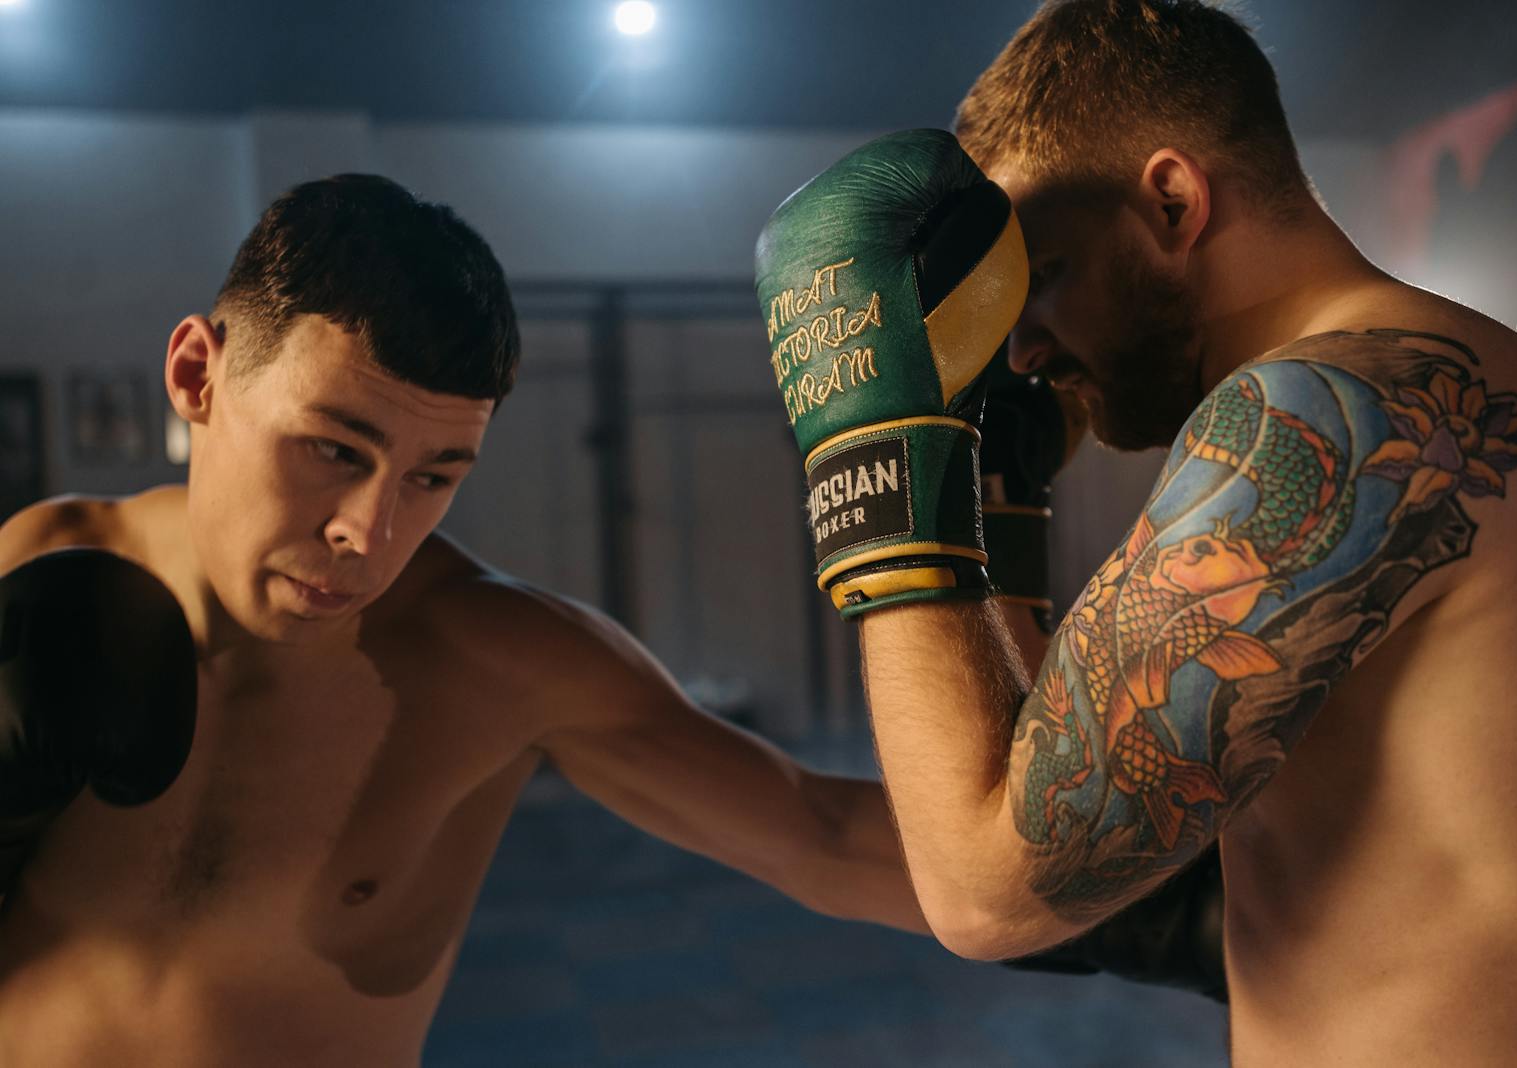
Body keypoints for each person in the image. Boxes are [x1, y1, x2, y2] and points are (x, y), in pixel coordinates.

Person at [753, 2, 1517, 1065]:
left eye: (1043, 273)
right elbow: (1028, 779)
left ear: (1169, 199)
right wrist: (996, 494)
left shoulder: (1326, 403)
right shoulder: (1453, 358)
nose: (1019, 351)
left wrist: (872, 455)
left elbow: (980, 894)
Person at [0, 174, 934, 1068]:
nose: (369, 533)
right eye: (332, 448)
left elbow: (822, 835)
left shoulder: (495, 658)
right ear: (197, 373)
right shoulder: (34, 563)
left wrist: (1078, 875)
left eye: (433, 477)